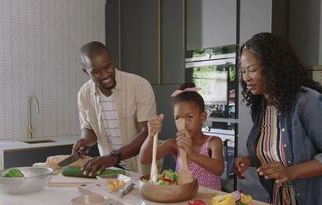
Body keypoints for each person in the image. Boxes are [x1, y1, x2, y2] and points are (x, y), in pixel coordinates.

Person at [234, 33, 322, 205]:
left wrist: (291, 172)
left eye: (252, 69)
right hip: (283, 203)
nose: (246, 77)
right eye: (243, 71)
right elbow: (278, 152)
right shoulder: (261, 106)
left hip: (319, 204)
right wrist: (250, 160)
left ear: (273, 68)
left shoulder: (307, 101)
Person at [74, 41, 156, 176]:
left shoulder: (139, 85)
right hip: (109, 168)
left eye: (108, 67)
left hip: (139, 167)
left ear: (112, 61)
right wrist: (84, 141)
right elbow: (88, 129)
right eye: (96, 72)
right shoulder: (83, 94)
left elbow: (147, 132)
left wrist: (113, 157)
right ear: (85, 72)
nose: (105, 75)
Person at [139, 83, 225, 190]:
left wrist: (191, 153)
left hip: (210, 202)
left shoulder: (213, 142)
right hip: (183, 201)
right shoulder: (174, 144)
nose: (183, 124)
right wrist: (151, 135)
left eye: (189, 117)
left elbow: (219, 169)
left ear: (202, 117)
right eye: (177, 118)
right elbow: (144, 159)